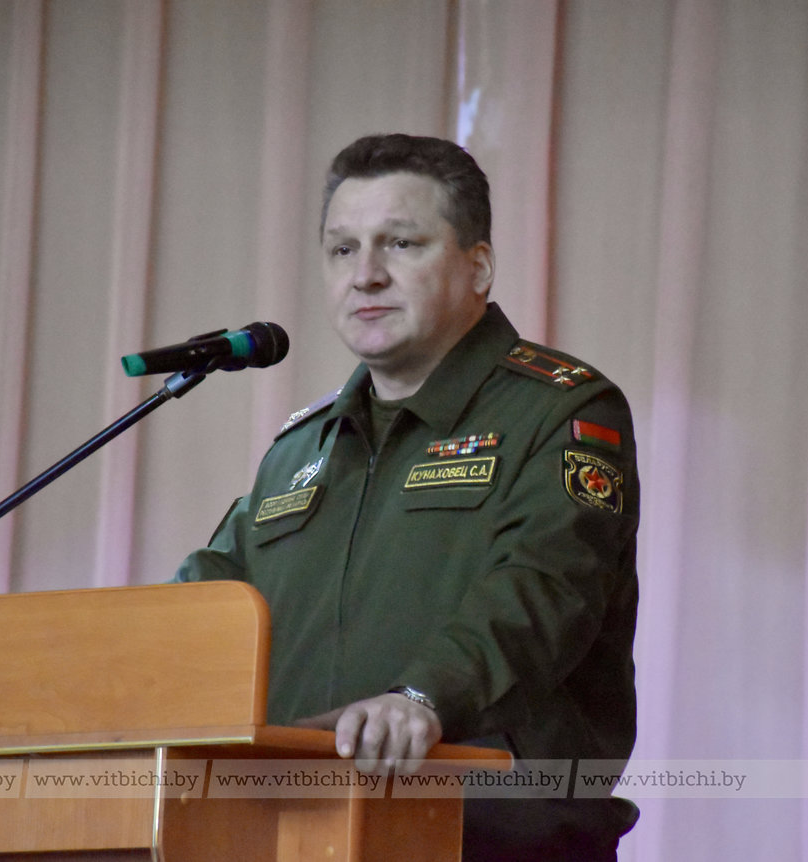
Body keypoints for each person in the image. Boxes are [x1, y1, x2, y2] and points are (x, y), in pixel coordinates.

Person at [175, 133, 639, 860]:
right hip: (291, 834)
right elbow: (206, 605)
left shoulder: (560, 411)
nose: (366, 275)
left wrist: (421, 697)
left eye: (400, 244)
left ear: (478, 267)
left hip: (486, 835)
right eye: (343, 249)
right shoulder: (301, 448)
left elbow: (543, 590)